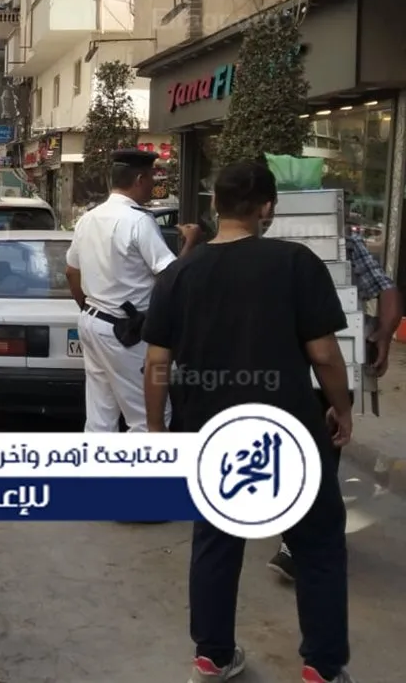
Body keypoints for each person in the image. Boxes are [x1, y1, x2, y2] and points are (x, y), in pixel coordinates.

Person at [142, 160, 356, 683]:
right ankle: (323, 668)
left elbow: (156, 363)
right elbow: (325, 355)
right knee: (318, 544)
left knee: (216, 540)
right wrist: (343, 408)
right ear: (267, 208)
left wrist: (157, 431)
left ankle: (213, 656)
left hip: (210, 431)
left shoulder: (178, 274)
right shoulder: (295, 263)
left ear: (215, 205)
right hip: (291, 431)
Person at [266, 225, 402, 582]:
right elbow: (387, 289)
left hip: (294, 368)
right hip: (328, 369)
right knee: (318, 453)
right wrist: (383, 336)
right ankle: (302, 535)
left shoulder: (265, 241)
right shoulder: (344, 240)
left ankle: (297, 542)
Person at [64, 148, 199, 432]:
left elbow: (71, 272)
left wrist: (90, 309)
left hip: (93, 322)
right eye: (152, 177)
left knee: (100, 418)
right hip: (125, 331)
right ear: (139, 179)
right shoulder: (138, 220)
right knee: (149, 417)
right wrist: (190, 242)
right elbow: (171, 277)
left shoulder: (89, 218)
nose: (153, 183)